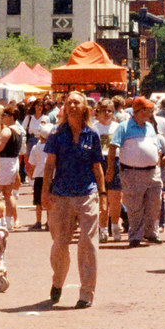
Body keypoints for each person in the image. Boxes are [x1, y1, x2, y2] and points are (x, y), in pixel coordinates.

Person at [42, 92, 107, 308]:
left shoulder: (93, 135)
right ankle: (58, 281)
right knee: (60, 244)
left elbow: (97, 167)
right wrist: (45, 191)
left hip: (87, 193)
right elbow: (49, 165)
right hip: (61, 195)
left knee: (88, 243)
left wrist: (103, 195)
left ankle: (86, 293)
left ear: (84, 108)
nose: (71, 105)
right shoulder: (56, 134)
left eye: (76, 102)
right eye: (68, 102)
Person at [108, 97, 165, 247]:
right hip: (132, 172)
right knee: (135, 206)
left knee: (154, 203)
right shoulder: (123, 127)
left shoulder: (149, 127)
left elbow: (157, 147)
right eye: (147, 109)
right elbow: (112, 147)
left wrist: (159, 160)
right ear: (138, 111)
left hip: (153, 171)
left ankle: (150, 233)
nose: (150, 112)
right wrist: (110, 168)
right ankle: (135, 236)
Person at [92, 99, 121, 242]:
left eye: (110, 110)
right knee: (101, 198)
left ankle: (115, 227)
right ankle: (102, 229)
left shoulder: (118, 127)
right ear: (98, 111)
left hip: (115, 162)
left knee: (115, 199)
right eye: (104, 110)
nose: (107, 113)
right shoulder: (93, 127)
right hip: (99, 162)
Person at [0, 104, 22, 230]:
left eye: (4, 115)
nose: (2, 117)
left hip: (4, 162)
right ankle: (8, 221)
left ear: (11, 116)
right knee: (8, 193)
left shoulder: (7, 130)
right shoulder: (19, 130)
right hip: (13, 161)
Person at [26, 117, 51, 230]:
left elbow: (31, 163)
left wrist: (30, 174)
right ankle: (49, 222)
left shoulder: (36, 148)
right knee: (50, 200)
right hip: (51, 176)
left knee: (38, 201)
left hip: (39, 176)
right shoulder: (53, 148)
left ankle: (38, 221)